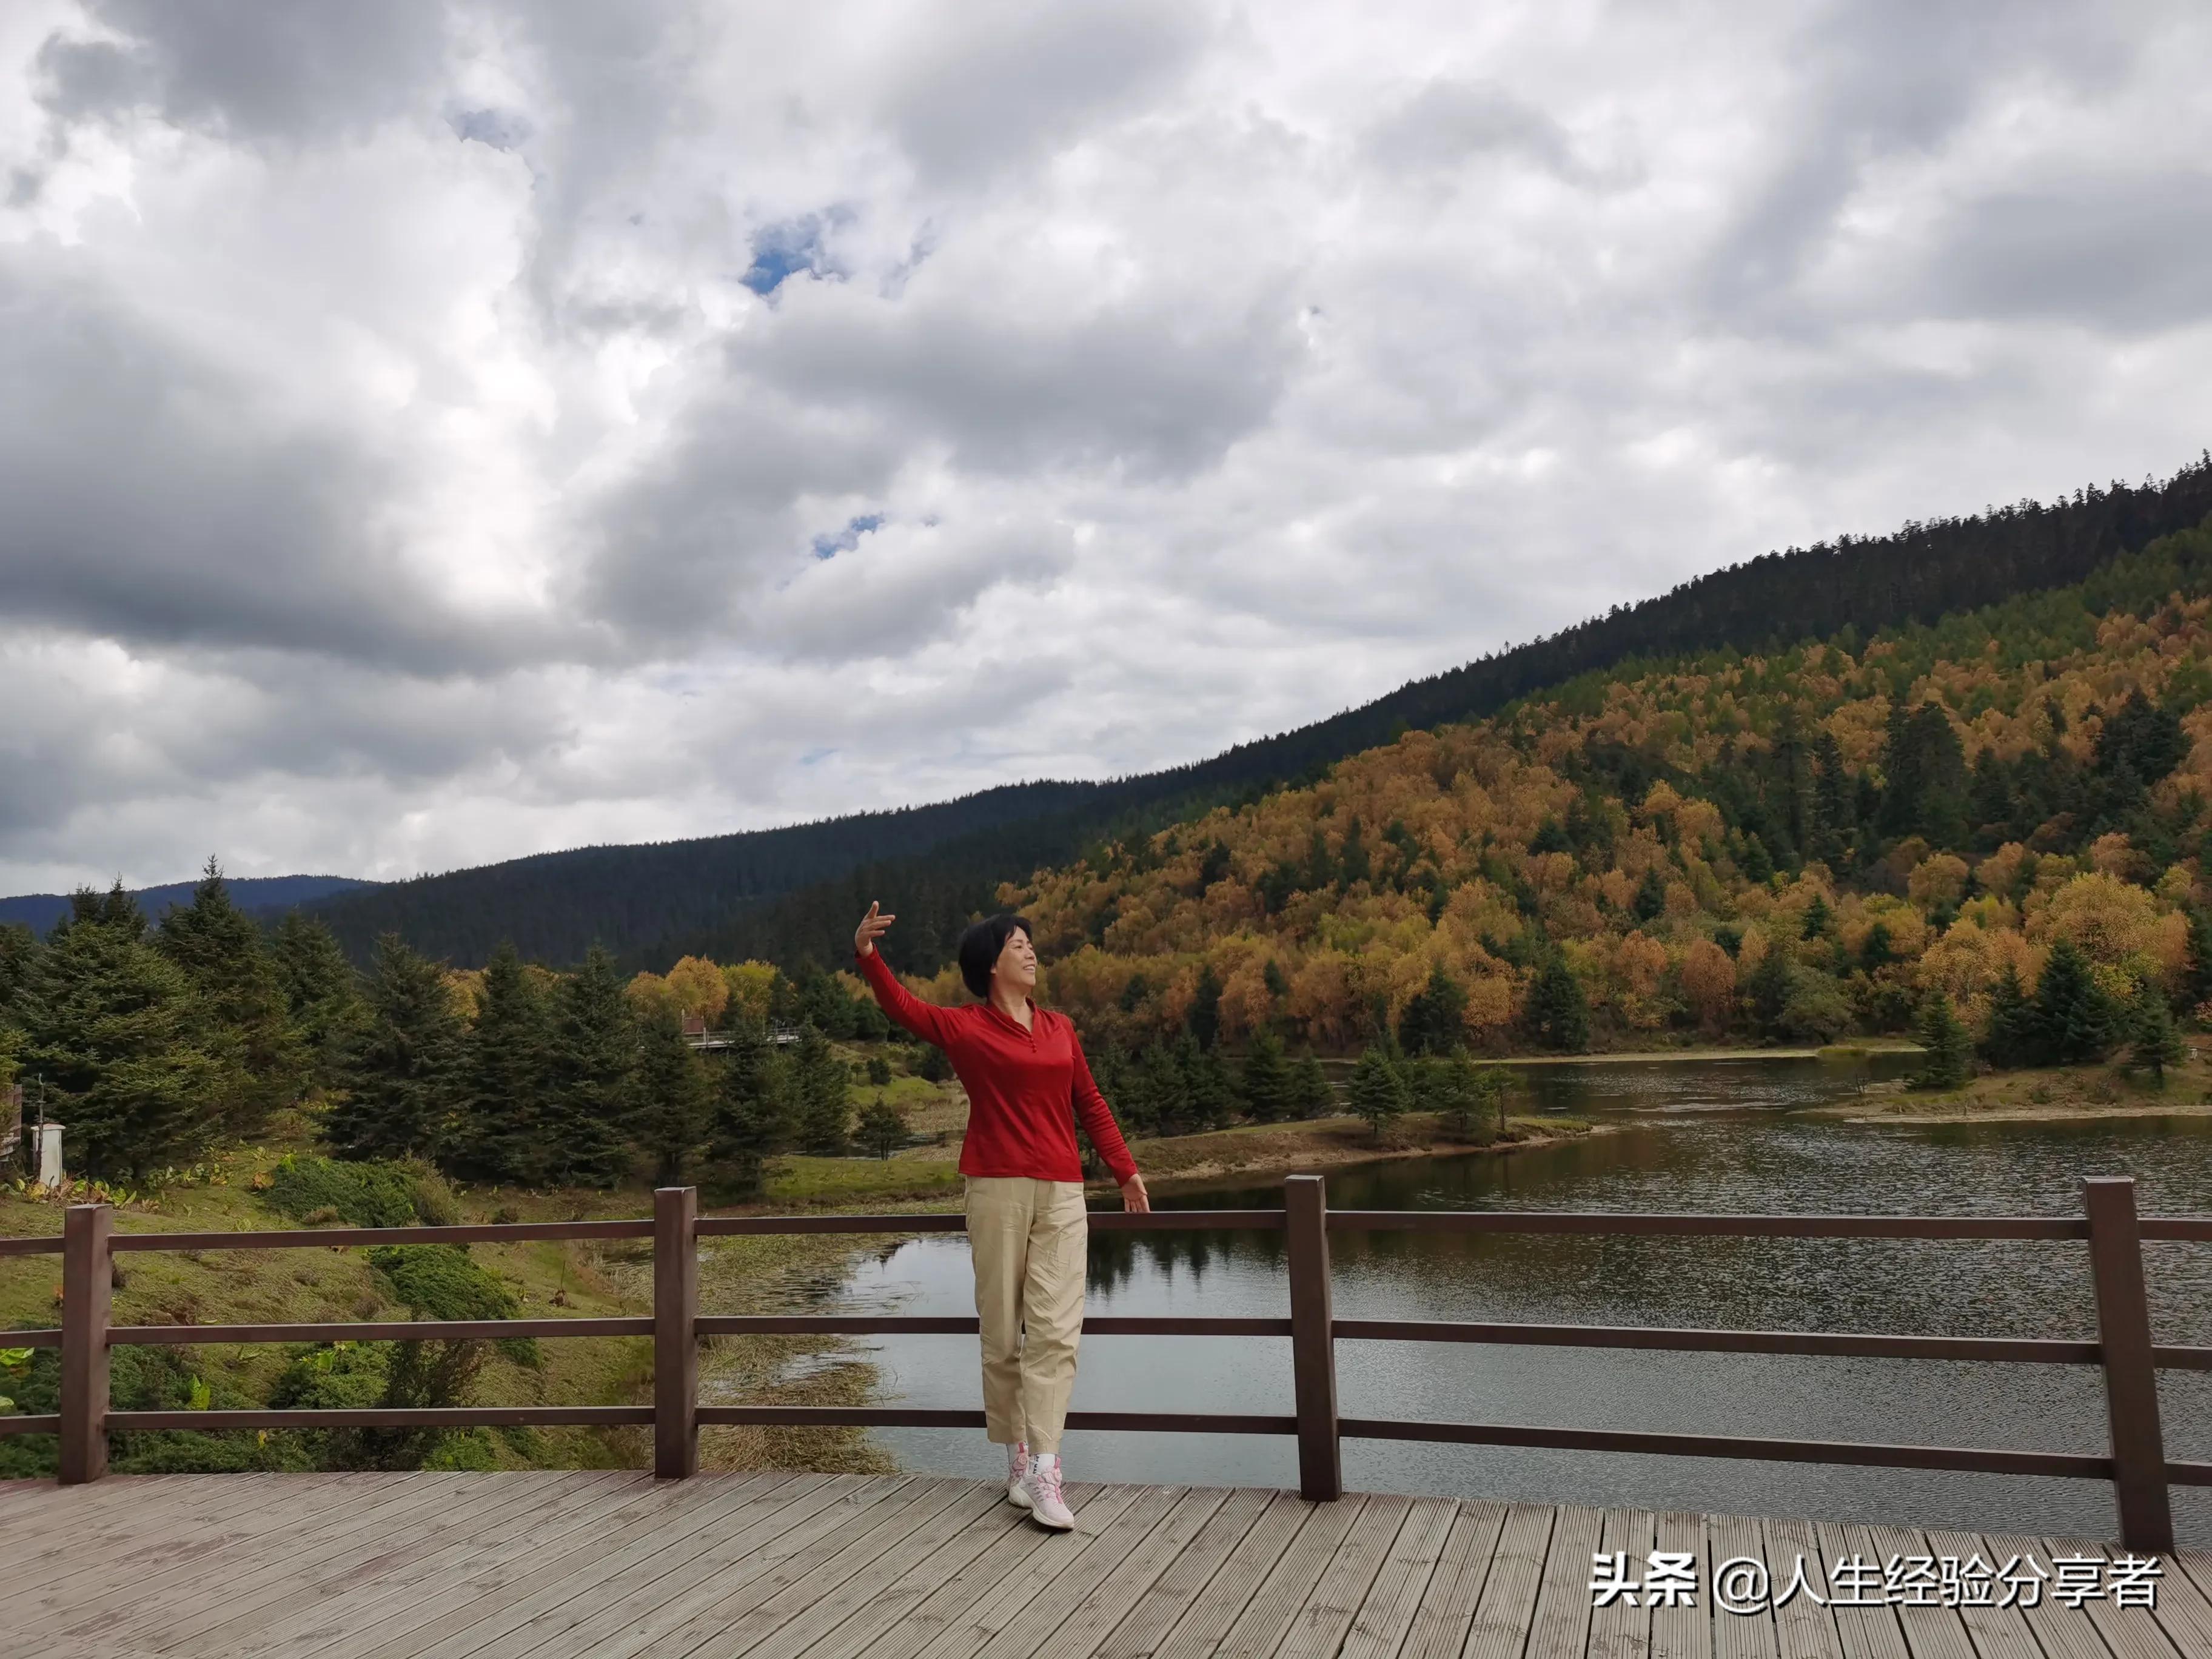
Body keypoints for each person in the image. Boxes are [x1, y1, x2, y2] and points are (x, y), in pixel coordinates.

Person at [852, 900, 1148, 1531]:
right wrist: (868, 957)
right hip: (996, 1188)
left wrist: (1125, 1171)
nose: (1032, 953)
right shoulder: (966, 1028)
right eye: (1020, 945)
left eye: (1032, 945)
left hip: (1064, 1191)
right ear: (991, 965)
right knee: (1005, 1330)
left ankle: (1046, 1467)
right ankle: (1016, 1460)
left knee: (1056, 1330)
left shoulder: (1061, 1028)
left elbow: (1089, 1102)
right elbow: (905, 1009)